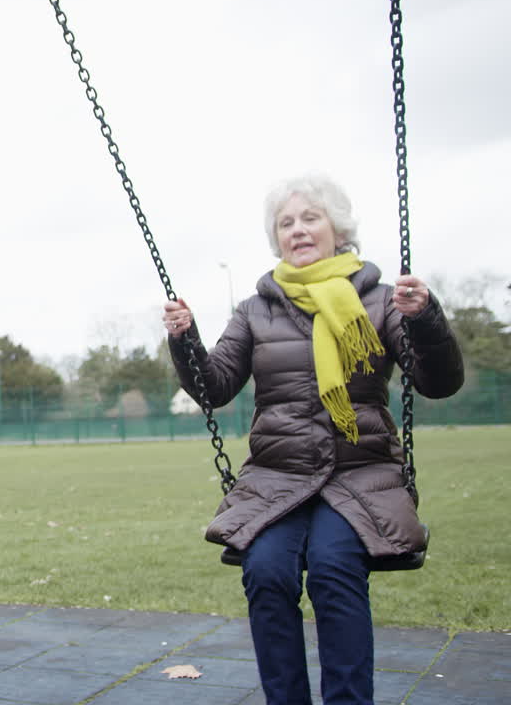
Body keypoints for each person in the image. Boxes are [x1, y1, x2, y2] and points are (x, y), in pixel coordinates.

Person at [161, 175, 463, 705]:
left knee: (333, 566)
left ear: (336, 228)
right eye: (286, 223)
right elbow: (215, 387)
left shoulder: (382, 301)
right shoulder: (256, 310)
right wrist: (185, 339)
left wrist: (425, 321)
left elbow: (439, 383)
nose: (298, 229)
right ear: (276, 239)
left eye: (310, 218)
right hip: (278, 476)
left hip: (360, 474)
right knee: (265, 569)